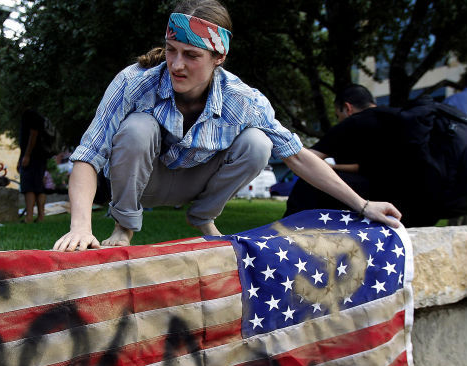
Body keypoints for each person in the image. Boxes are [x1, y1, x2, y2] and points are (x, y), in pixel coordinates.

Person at [53, 0, 400, 252]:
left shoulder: (243, 99)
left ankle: (203, 218)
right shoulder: (135, 81)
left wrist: (363, 205)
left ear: (219, 58)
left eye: (191, 55)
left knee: (259, 143)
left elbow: (297, 156)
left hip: (196, 182)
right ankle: (124, 228)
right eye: (172, 50)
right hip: (144, 180)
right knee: (138, 128)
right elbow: (89, 153)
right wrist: (80, 225)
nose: (176, 64)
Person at [284, 84, 437, 226]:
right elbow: (369, 167)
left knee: (307, 184)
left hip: (373, 198)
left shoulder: (353, 123)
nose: (339, 119)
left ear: (347, 108)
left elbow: (305, 159)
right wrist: (335, 167)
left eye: (338, 115)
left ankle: (285, 233)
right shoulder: (401, 119)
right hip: (417, 201)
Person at [18, 109, 48, 223]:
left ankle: (29, 217)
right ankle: (41, 216)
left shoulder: (30, 115)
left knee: (29, 186)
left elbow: (33, 134)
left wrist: (26, 155)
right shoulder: (39, 116)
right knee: (39, 186)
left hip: (33, 157)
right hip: (40, 156)